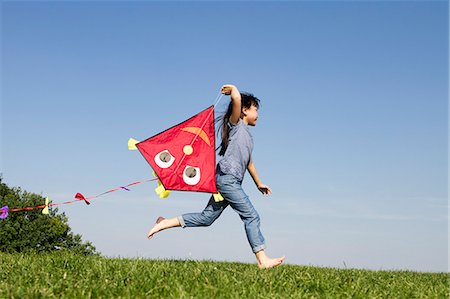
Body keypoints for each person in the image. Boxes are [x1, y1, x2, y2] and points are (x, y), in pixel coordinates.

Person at [147, 84, 285, 269]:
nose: (258, 113)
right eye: (255, 109)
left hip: (228, 181)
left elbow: (249, 163)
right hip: (227, 180)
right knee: (251, 216)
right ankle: (262, 259)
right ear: (244, 110)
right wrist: (234, 89)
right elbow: (236, 99)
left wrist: (259, 183)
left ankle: (164, 222)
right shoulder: (236, 126)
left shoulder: (248, 137)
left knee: (207, 218)